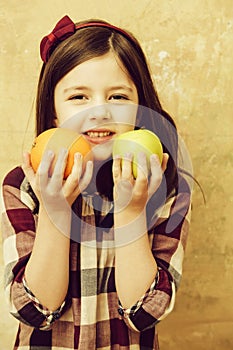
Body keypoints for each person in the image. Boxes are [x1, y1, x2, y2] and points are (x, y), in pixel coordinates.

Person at [1, 15, 192, 350]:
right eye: (79, 97)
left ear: (139, 108)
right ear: (54, 112)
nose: (100, 112)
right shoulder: (24, 186)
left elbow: (146, 313)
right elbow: (33, 310)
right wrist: (55, 212)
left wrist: (132, 211)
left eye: (118, 97)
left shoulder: (164, 185)